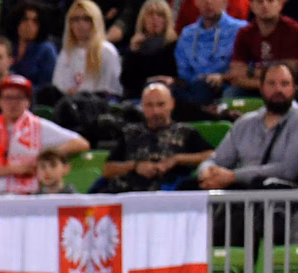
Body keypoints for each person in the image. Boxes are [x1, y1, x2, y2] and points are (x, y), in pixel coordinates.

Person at [0, 74, 89, 193]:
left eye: (19, 98)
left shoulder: (39, 126)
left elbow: (80, 143)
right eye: (8, 98)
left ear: (28, 102)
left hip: (30, 195)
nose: (13, 103)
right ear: (0, 101)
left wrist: (43, 158)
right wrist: (13, 169)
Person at [199, 59, 298, 187]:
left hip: (282, 194)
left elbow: (288, 170)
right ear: (261, 88)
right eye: (271, 84)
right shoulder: (244, 123)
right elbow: (216, 160)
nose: (278, 89)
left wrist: (234, 176)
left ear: (294, 89)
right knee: (187, 185)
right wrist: (207, 171)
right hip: (242, 191)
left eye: (285, 84)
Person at [100, 81, 213, 190]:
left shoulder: (185, 132)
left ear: (172, 104)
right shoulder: (130, 133)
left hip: (170, 193)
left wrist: (177, 159)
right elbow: (108, 169)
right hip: (130, 192)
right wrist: (135, 166)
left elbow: (212, 156)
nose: (155, 111)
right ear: (142, 106)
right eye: (149, 105)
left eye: (161, 104)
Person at [226, 0, 298, 94]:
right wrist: (266, 84)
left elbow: (290, 75)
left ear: (280, 5)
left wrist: (251, 72)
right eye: (259, 2)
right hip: (256, 86)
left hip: (287, 88)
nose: (264, 5)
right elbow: (236, 74)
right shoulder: (245, 33)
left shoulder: (293, 30)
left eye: (270, 1)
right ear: (251, 6)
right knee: (231, 93)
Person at [53, 1, 124, 95]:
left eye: (86, 19)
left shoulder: (107, 51)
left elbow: (112, 91)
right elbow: (58, 87)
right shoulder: (66, 52)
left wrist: (80, 94)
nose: (80, 24)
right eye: (75, 19)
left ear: (95, 22)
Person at [124, 0, 183, 97]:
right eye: (150, 14)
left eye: (160, 15)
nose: (155, 19)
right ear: (143, 19)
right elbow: (126, 82)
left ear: (167, 20)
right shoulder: (136, 45)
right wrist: (132, 52)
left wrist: (171, 80)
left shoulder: (175, 45)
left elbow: (182, 78)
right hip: (139, 95)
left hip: (167, 94)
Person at [12, 6, 59, 88]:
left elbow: (48, 85)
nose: (29, 25)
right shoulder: (8, 46)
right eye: (25, 19)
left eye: (35, 21)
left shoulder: (46, 50)